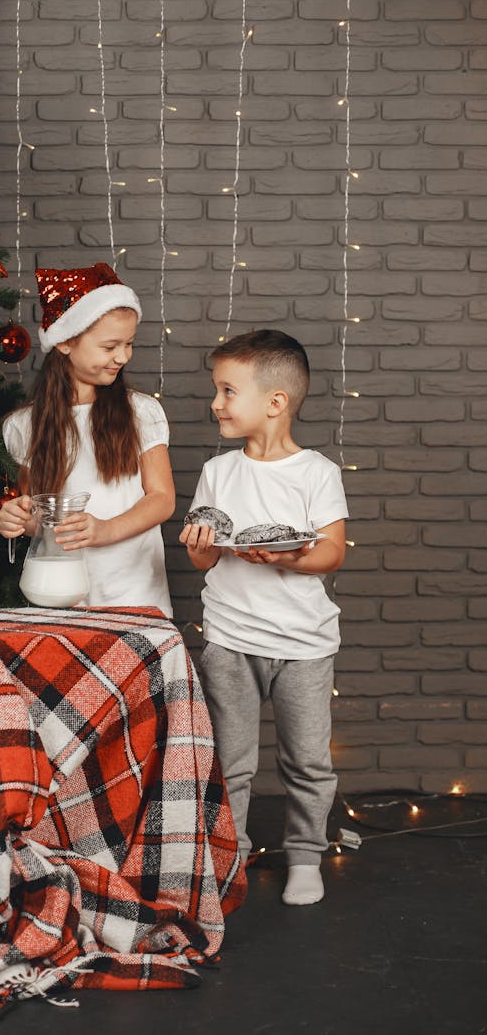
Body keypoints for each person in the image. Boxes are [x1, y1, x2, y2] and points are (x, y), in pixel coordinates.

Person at [179, 329, 348, 906]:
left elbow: (332, 552)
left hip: (304, 643)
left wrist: (290, 555)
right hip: (230, 638)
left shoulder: (317, 473)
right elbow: (202, 555)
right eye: (215, 390)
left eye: (228, 391)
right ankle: (230, 856)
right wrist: (199, 542)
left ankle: (306, 855)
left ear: (275, 401)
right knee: (231, 760)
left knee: (307, 759)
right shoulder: (218, 472)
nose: (216, 403)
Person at [0, 262, 175, 616]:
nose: (122, 357)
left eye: (129, 344)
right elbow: (38, 517)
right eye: (110, 346)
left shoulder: (141, 412)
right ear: (65, 342)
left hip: (136, 594)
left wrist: (105, 530)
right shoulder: (23, 426)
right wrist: (17, 520)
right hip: (63, 597)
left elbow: (162, 499)